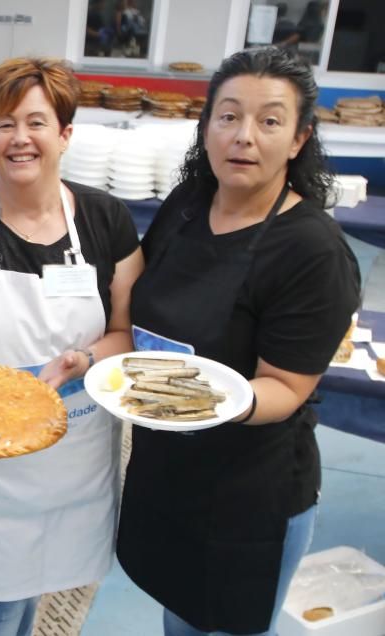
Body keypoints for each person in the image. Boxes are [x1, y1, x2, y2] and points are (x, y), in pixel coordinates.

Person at [116, 47, 361, 636]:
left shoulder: (312, 251)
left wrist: (215, 400)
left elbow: (286, 386)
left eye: (269, 121)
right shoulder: (185, 208)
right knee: (179, 619)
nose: (243, 137)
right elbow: (138, 316)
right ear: (206, 129)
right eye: (227, 117)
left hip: (246, 492)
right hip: (163, 464)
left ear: (299, 139)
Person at [0, 57, 144, 636]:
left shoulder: (105, 219)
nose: (21, 139)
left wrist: (84, 359)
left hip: (77, 451)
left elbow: (125, 331)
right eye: (5, 123)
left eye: (37, 123)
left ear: (65, 134)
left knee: (36, 596)